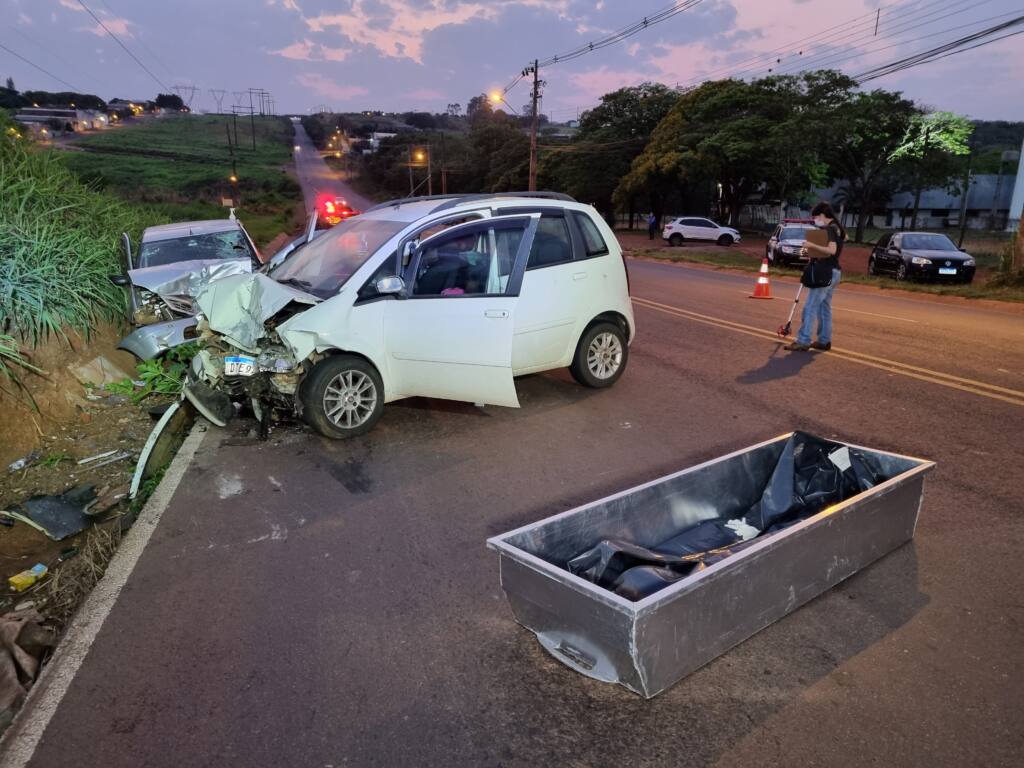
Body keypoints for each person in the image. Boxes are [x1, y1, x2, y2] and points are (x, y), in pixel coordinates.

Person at [785, 202, 845, 352]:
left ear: (823, 216)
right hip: (834, 272)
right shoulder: (837, 229)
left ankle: (803, 340)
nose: (815, 220)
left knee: (810, 307)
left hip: (825, 273)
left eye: (816, 217)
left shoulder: (829, 229)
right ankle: (824, 340)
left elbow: (832, 250)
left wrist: (812, 246)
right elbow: (840, 243)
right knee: (824, 308)